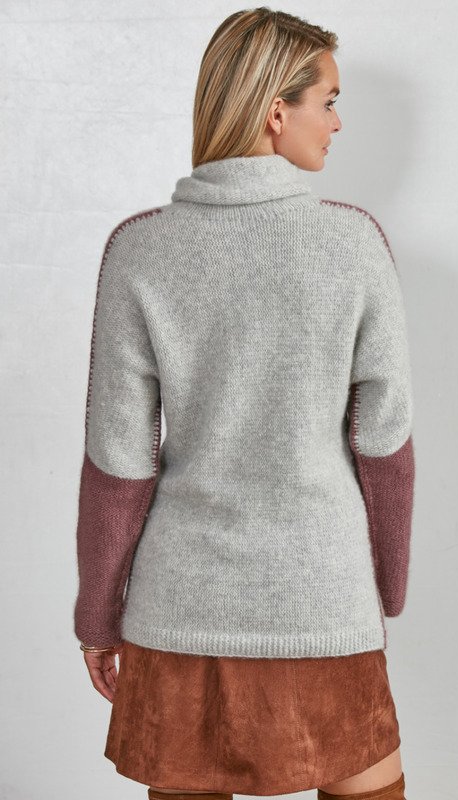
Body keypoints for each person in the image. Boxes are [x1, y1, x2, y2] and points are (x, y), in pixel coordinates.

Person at [73, 7, 415, 800]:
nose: (337, 122)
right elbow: (385, 442)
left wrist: (97, 615)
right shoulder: (353, 244)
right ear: (275, 111)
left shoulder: (140, 250)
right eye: (328, 101)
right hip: (322, 600)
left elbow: (118, 462)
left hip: (179, 607)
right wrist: (386, 586)